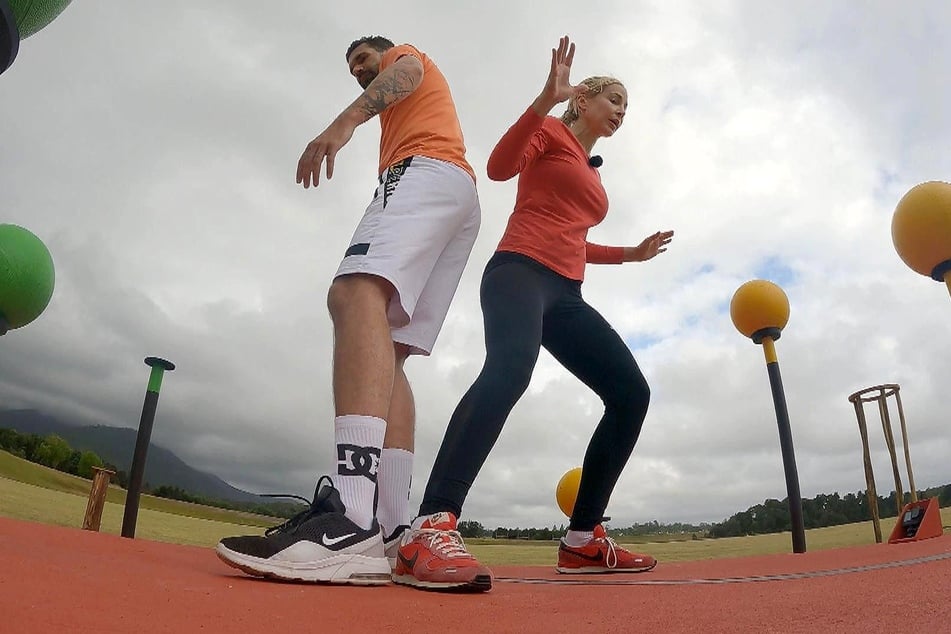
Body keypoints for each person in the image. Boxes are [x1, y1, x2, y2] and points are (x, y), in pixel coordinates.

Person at [392, 36, 674, 592]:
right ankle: (430, 525)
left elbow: (575, 240)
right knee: (510, 371)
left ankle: (582, 541)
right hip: (517, 272)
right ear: (584, 99)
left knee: (630, 394)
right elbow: (498, 168)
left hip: (565, 295)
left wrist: (631, 254)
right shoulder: (550, 133)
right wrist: (544, 100)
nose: (621, 110)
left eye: (627, 106)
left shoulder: (592, 173)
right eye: (613, 98)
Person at [215, 35, 481, 585]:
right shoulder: (418, 122)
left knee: (353, 292)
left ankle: (351, 519)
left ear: (383, 52)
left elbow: (402, 72)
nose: (358, 70)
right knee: (389, 348)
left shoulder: (408, 60)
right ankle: (387, 529)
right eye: (352, 67)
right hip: (458, 194)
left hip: (423, 172)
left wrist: (344, 123)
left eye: (363, 59)